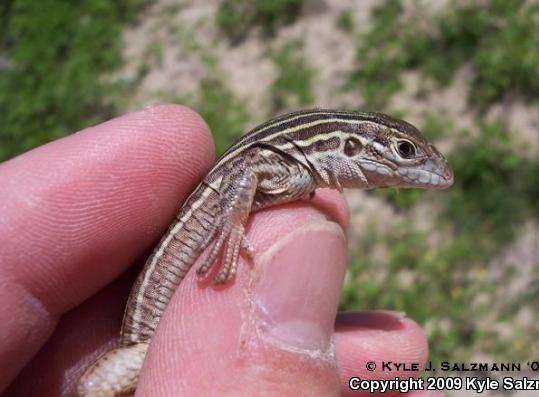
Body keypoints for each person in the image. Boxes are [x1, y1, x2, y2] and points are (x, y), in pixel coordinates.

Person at [0, 105, 440, 396]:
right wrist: (232, 226)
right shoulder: (278, 165)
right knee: (94, 388)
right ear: (349, 146)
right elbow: (246, 168)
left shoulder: (294, 173)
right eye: (405, 153)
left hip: (164, 343)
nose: (420, 171)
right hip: (145, 332)